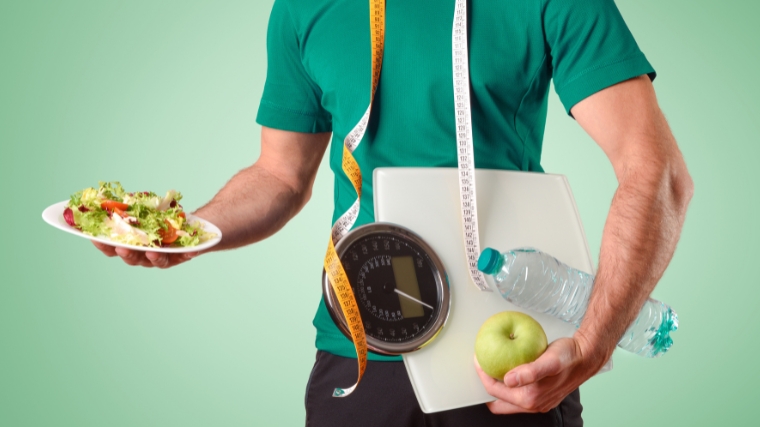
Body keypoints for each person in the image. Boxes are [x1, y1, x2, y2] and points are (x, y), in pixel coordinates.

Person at [93, 0, 694, 425]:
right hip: (357, 346)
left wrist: (589, 347)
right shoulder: (305, 8)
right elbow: (278, 175)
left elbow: (656, 173)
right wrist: (187, 231)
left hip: (506, 364)